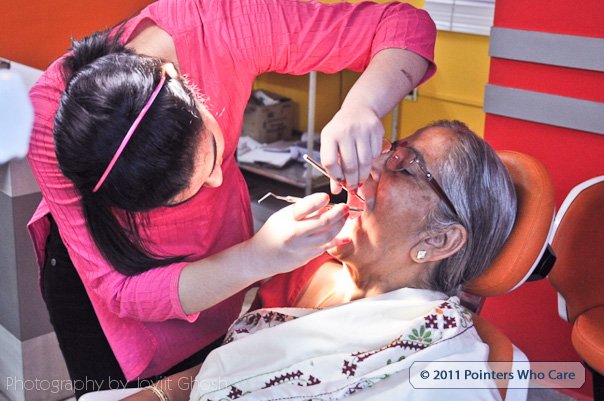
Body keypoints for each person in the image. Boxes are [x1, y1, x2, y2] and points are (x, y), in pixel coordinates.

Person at [26, 0, 437, 397]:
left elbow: (406, 26)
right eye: (178, 196)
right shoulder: (46, 122)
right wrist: (258, 258)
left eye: (213, 154)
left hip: (219, 281)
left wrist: (362, 106)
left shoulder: (222, 24)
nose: (221, 178)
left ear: (178, 79)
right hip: (113, 314)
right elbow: (123, 292)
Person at [80, 119, 516, 401]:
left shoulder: (442, 374)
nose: (367, 166)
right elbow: (219, 370)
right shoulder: (312, 273)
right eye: (387, 149)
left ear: (440, 240)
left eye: (402, 166)